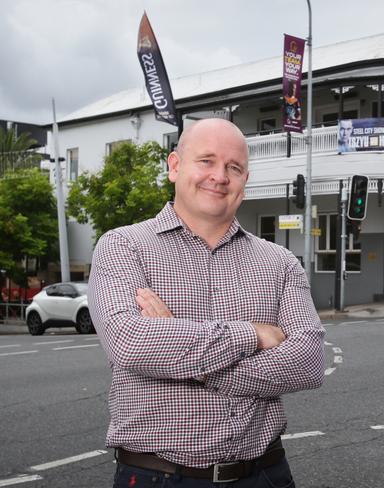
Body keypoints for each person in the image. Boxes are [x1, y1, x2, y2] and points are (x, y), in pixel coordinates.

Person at [88, 118, 324, 487]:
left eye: (234, 167)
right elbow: (131, 343)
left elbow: (307, 362)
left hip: (265, 473)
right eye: (207, 161)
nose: (220, 176)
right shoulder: (123, 246)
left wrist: (190, 360)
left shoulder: (281, 262)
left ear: (245, 181)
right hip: (158, 476)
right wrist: (252, 336)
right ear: (174, 166)